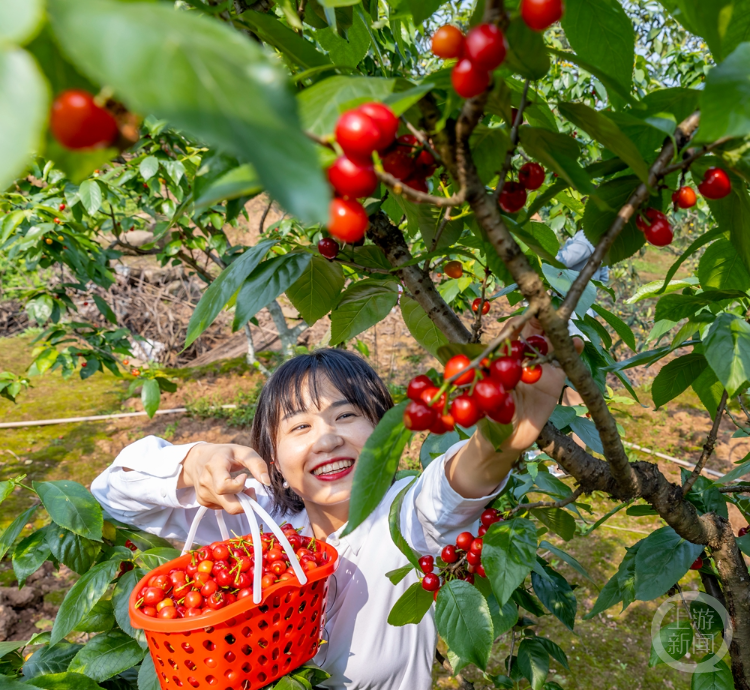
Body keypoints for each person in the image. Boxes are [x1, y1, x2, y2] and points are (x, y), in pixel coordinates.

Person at [92, 324, 581, 690]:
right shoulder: (255, 523)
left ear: (384, 435)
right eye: (299, 427)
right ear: (273, 459)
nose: (327, 437)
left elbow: (454, 489)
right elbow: (114, 492)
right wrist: (192, 462)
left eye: (346, 415)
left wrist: (498, 439)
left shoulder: (404, 521)